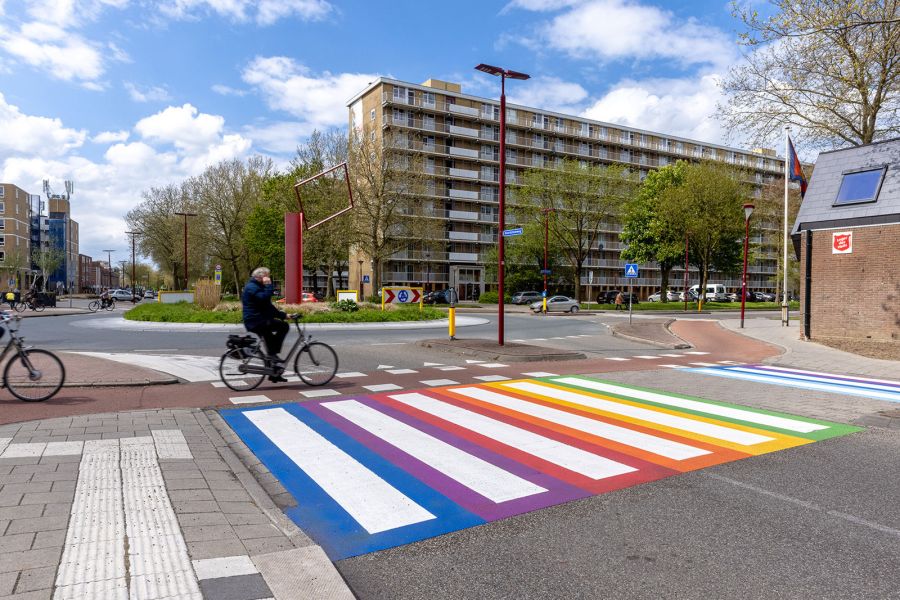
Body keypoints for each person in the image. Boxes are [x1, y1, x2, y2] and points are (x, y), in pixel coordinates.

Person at [242, 267, 290, 383]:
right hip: (255, 321)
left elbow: (268, 307)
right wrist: (269, 285)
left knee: (270, 342)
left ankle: (274, 373)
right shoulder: (252, 287)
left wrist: (284, 316)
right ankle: (274, 356)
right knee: (283, 327)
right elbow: (263, 298)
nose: (268, 278)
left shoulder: (258, 286)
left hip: (259, 320)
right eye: (266, 276)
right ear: (259, 277)